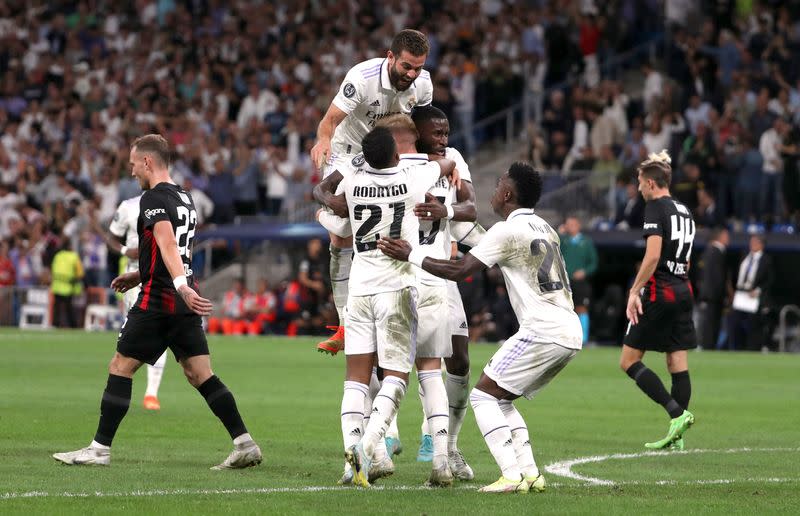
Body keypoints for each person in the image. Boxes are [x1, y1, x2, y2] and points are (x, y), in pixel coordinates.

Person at [52, 134, 261, 469]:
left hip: (161, 300)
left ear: (148, 162)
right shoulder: (184, 197)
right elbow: (178, 250)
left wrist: (177, 285)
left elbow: (166, 242)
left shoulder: (152, 198)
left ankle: (99, 450)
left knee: (121, 366)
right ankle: (244, 443)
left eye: (134, 164)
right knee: (200, 373)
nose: (132, 171)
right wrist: (140, 275)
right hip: (182, 302)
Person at [378, 162, 582, 494]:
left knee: (483, 396)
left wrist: (411, 254)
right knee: (502, 399)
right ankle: (530, 473)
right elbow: (488, 245)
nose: (495, 186)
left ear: (507, 194)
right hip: (569, 330)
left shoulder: (507, 231)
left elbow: (460, 271)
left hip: (542, 330)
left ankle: (510, 475)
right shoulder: (545, 228)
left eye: (499, 181)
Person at [335, 126, 457, 488]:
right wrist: (448, 162)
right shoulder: (411, 178)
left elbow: (331, 197)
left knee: (356, 379)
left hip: (358, 288)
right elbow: (445, 163)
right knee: (398, 377)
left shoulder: (354, 182)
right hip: (398, 287)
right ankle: (369, 446)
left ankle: (349, 459)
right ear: (395, 153)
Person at [310, 29, 433, 355]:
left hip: (388, 154)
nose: (412, 74)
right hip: (347, 154)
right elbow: (329, 122)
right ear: (390, 57)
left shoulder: (423, 84)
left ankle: (396, 309)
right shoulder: (361, 78)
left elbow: (422, 128)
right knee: (342, 234)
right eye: (407, 66)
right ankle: (343, 326)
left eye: (418, 67)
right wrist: (323, 140)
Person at [408, 105, 477, 480]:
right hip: (405, 272)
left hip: (440, 274)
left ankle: (449, 446)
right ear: (416, 133)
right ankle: (379, 439)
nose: (443, 138)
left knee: (461, 359)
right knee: (398, 363)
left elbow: (471, 206)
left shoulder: (453, 159)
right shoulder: (403, 162)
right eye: (436, 132)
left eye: (446, 131)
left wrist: (444, 210)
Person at [621, 150, 696, 452]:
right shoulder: (685, 210)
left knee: (628, 360)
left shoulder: (655, 208)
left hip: (659, 292)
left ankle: (677, 414)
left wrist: (634, 290)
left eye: (640, 183)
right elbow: (687, 261)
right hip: (683, 290)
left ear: (651, 184)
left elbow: (653, 255)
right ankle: (678, 435)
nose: (638, 188)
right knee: (676, 360)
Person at [95, 193, 168, 411]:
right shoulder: (128, 206)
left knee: (159, 330)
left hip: (161, 274)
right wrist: (127, 250)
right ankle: (121, 385)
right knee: (136, 330)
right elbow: (111, 238)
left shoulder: (169, 203)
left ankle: (151, 394)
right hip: (133, 275)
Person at [727, 234, 773, 351]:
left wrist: (758, 290)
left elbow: (769, 280)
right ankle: (736, 348)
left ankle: (752, 349)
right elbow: (735, 275)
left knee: (753, 324)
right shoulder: (744, 256)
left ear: (761, 244)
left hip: (754, 296)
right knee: (735, 322)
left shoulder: (766, 260)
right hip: (740, 294)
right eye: (751, 242)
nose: (752, 245)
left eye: (755, 242)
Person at [559, 216, 598, 345]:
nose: (570, 227)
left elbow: (594, 263)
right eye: (568, 224)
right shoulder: (563, 241)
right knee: (564, 309)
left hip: (581, 283)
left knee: (582, 308)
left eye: (572, 224)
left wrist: (584, 272)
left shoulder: (586, 242)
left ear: (578, 225)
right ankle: (564, 339)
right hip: (565, 282)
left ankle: (584, 339)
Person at [696, 228, 730, 349]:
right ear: (720, 237)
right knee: (711, 323)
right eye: (726, 235)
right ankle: (707, 346)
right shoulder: (716, 251)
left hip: (707, 295)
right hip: (714, 295)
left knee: (709, 322)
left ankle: (707, 345)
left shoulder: (707, 251)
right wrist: (724, 296)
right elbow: (718, 277)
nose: (728, 238)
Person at [50, 239, 84, 328]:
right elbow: (80, 273)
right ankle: (73, 326)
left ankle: (55, 325)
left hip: (56, 286)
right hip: (68, 286)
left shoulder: (58, 255)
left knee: (57, 308)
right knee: (69, 308)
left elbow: (53, 269)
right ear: (70, 246)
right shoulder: (74, 256)